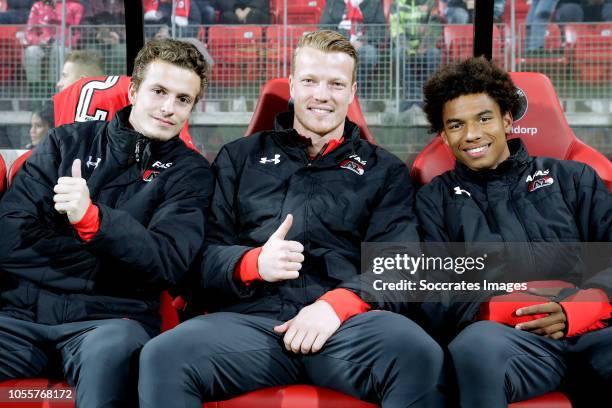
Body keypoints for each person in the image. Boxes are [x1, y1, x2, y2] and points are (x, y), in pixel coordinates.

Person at [139, 30, 445, 408]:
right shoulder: (239, 158)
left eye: (335, 84)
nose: (321, 94)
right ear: (292, 87)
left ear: (352, 92)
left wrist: (338, 304)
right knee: (163, 356)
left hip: (348, 326)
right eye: (310, 81)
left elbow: (399, 264)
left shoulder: (384, 169)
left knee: (419, 354)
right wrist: (251, 264)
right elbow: (196, 259)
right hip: (251, 323)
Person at [0, 38, 213, 408]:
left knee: (112, 356)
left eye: (183, 99)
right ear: (133, 90)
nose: (168, 108)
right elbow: (7, 239)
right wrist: (115, 261)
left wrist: (92, 222)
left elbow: (166, 263)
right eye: (159, 91)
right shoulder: (63, 144)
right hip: (20, 318)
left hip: (111, 324)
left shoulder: (190, 173)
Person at [416, 56, 612, 407]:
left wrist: (585, 306)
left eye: (484, 118)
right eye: (456, 125)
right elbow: (434, 292)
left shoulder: (573, 178)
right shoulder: (434, 199)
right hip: (507, 340)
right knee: (474, 347)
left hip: (593, 328)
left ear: (507, 120)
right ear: (443, 136)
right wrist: (505, 310)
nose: (472, 134)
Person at [319, 0, 385, 97]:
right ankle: (337, 93)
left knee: (369, 53)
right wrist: (343, 42)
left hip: (363, 45)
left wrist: (363, 41)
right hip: (338, 45)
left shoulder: (373, 2)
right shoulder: (333, 2)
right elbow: (323, 28)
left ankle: (360, 94)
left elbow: (381, 30)